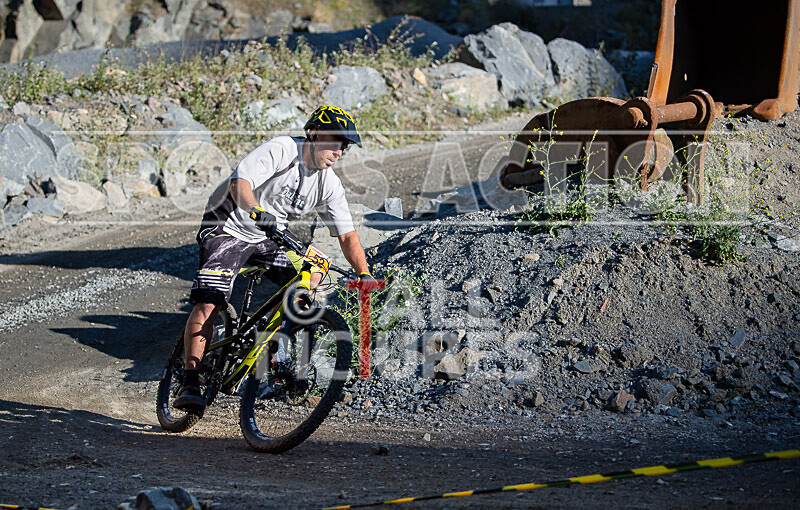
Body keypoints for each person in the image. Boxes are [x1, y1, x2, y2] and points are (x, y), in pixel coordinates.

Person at [174, 105, 375, 412]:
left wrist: (363, 274)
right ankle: (189, 379)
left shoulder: (328, 184)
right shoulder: (283, 149)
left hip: (268, 236)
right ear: (315, 134)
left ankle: (273, 345)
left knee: (315, 269)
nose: (341, 150)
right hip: (228, 225)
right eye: (337, 142)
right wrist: (256, 211)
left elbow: (347, 236)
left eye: (346, 147)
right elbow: (239, 184)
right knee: (210, 301)